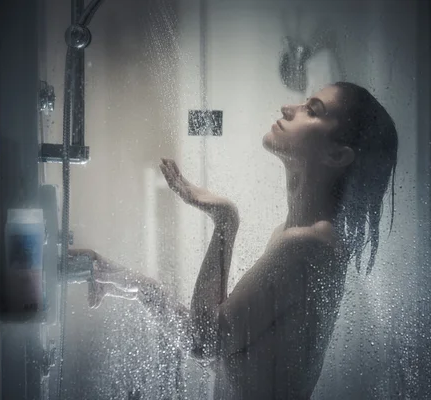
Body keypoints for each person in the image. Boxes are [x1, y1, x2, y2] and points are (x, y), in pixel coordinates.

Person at [70, 82, 398, 399]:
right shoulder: (299, 236)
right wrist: (137, 286)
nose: (288, 108)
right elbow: (230, 357)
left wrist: (226, 221)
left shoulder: (306, 245)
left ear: (337, 156)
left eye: (312, 110)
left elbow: (206, 340)